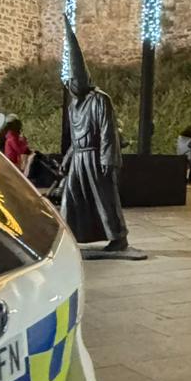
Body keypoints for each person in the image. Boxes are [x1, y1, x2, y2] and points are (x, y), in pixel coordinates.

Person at [61, 25, 133, 253]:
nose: (72, 84)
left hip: (95, 156)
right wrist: (68, 158)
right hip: (79, 158)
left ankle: (118, 237)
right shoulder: (74, 106)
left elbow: (107, 131)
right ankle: (68, 235)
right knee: (71, 196)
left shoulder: (100, 100)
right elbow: (75, 138)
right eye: (70, 81)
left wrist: (108, 159)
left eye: (76, 78)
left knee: (104, 198)